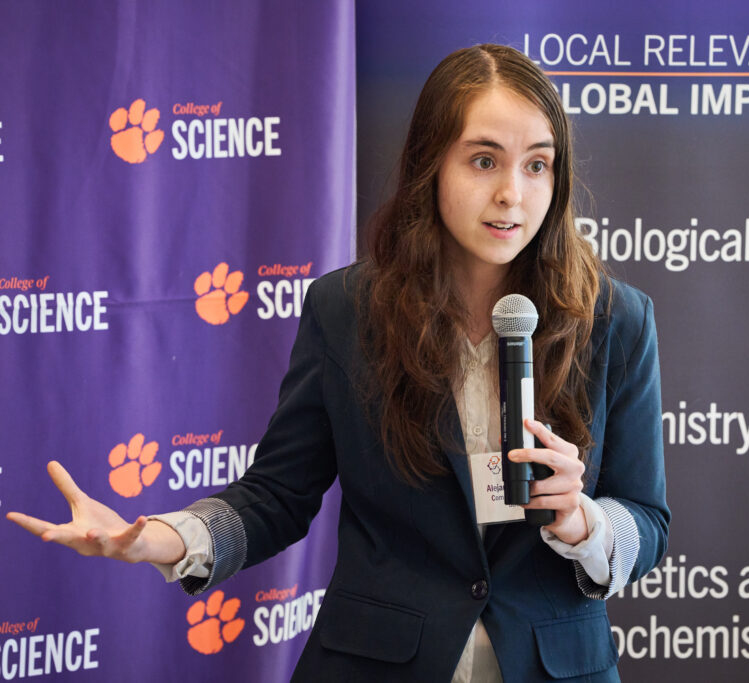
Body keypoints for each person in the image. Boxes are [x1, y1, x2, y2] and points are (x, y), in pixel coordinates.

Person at [6, 44, 669, 681]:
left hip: (553, 663)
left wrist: (585, 521)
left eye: (537, 165)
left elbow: (647, 518)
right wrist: (159, 538)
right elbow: (275, 496)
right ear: (430, 165)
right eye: (484, 160)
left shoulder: (616, 321)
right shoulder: (347, 310)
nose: (512, 195)